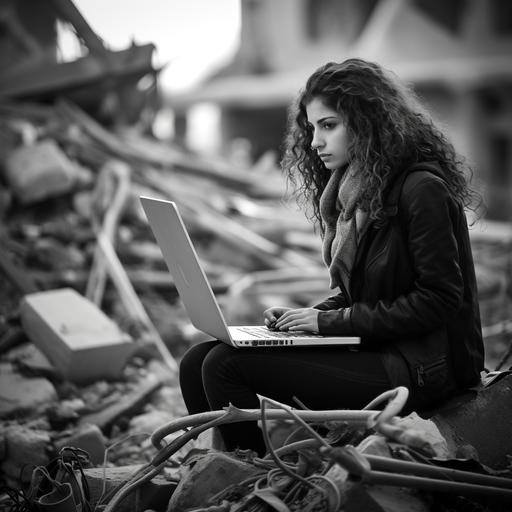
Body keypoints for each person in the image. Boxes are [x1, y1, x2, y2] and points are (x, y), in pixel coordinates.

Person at [179, 58, 485, 457]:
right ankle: (217, 469)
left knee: (224, 365)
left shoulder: (420, 190)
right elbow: (359, 295)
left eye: (328, 125)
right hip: (381, 348)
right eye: (311, 128)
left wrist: (327, 322)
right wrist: (304, 321)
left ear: (366, 121)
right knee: (196, 360)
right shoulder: (354, 194)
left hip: (423, 367)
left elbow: (438, 300)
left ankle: (248, 475)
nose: (314, 143)